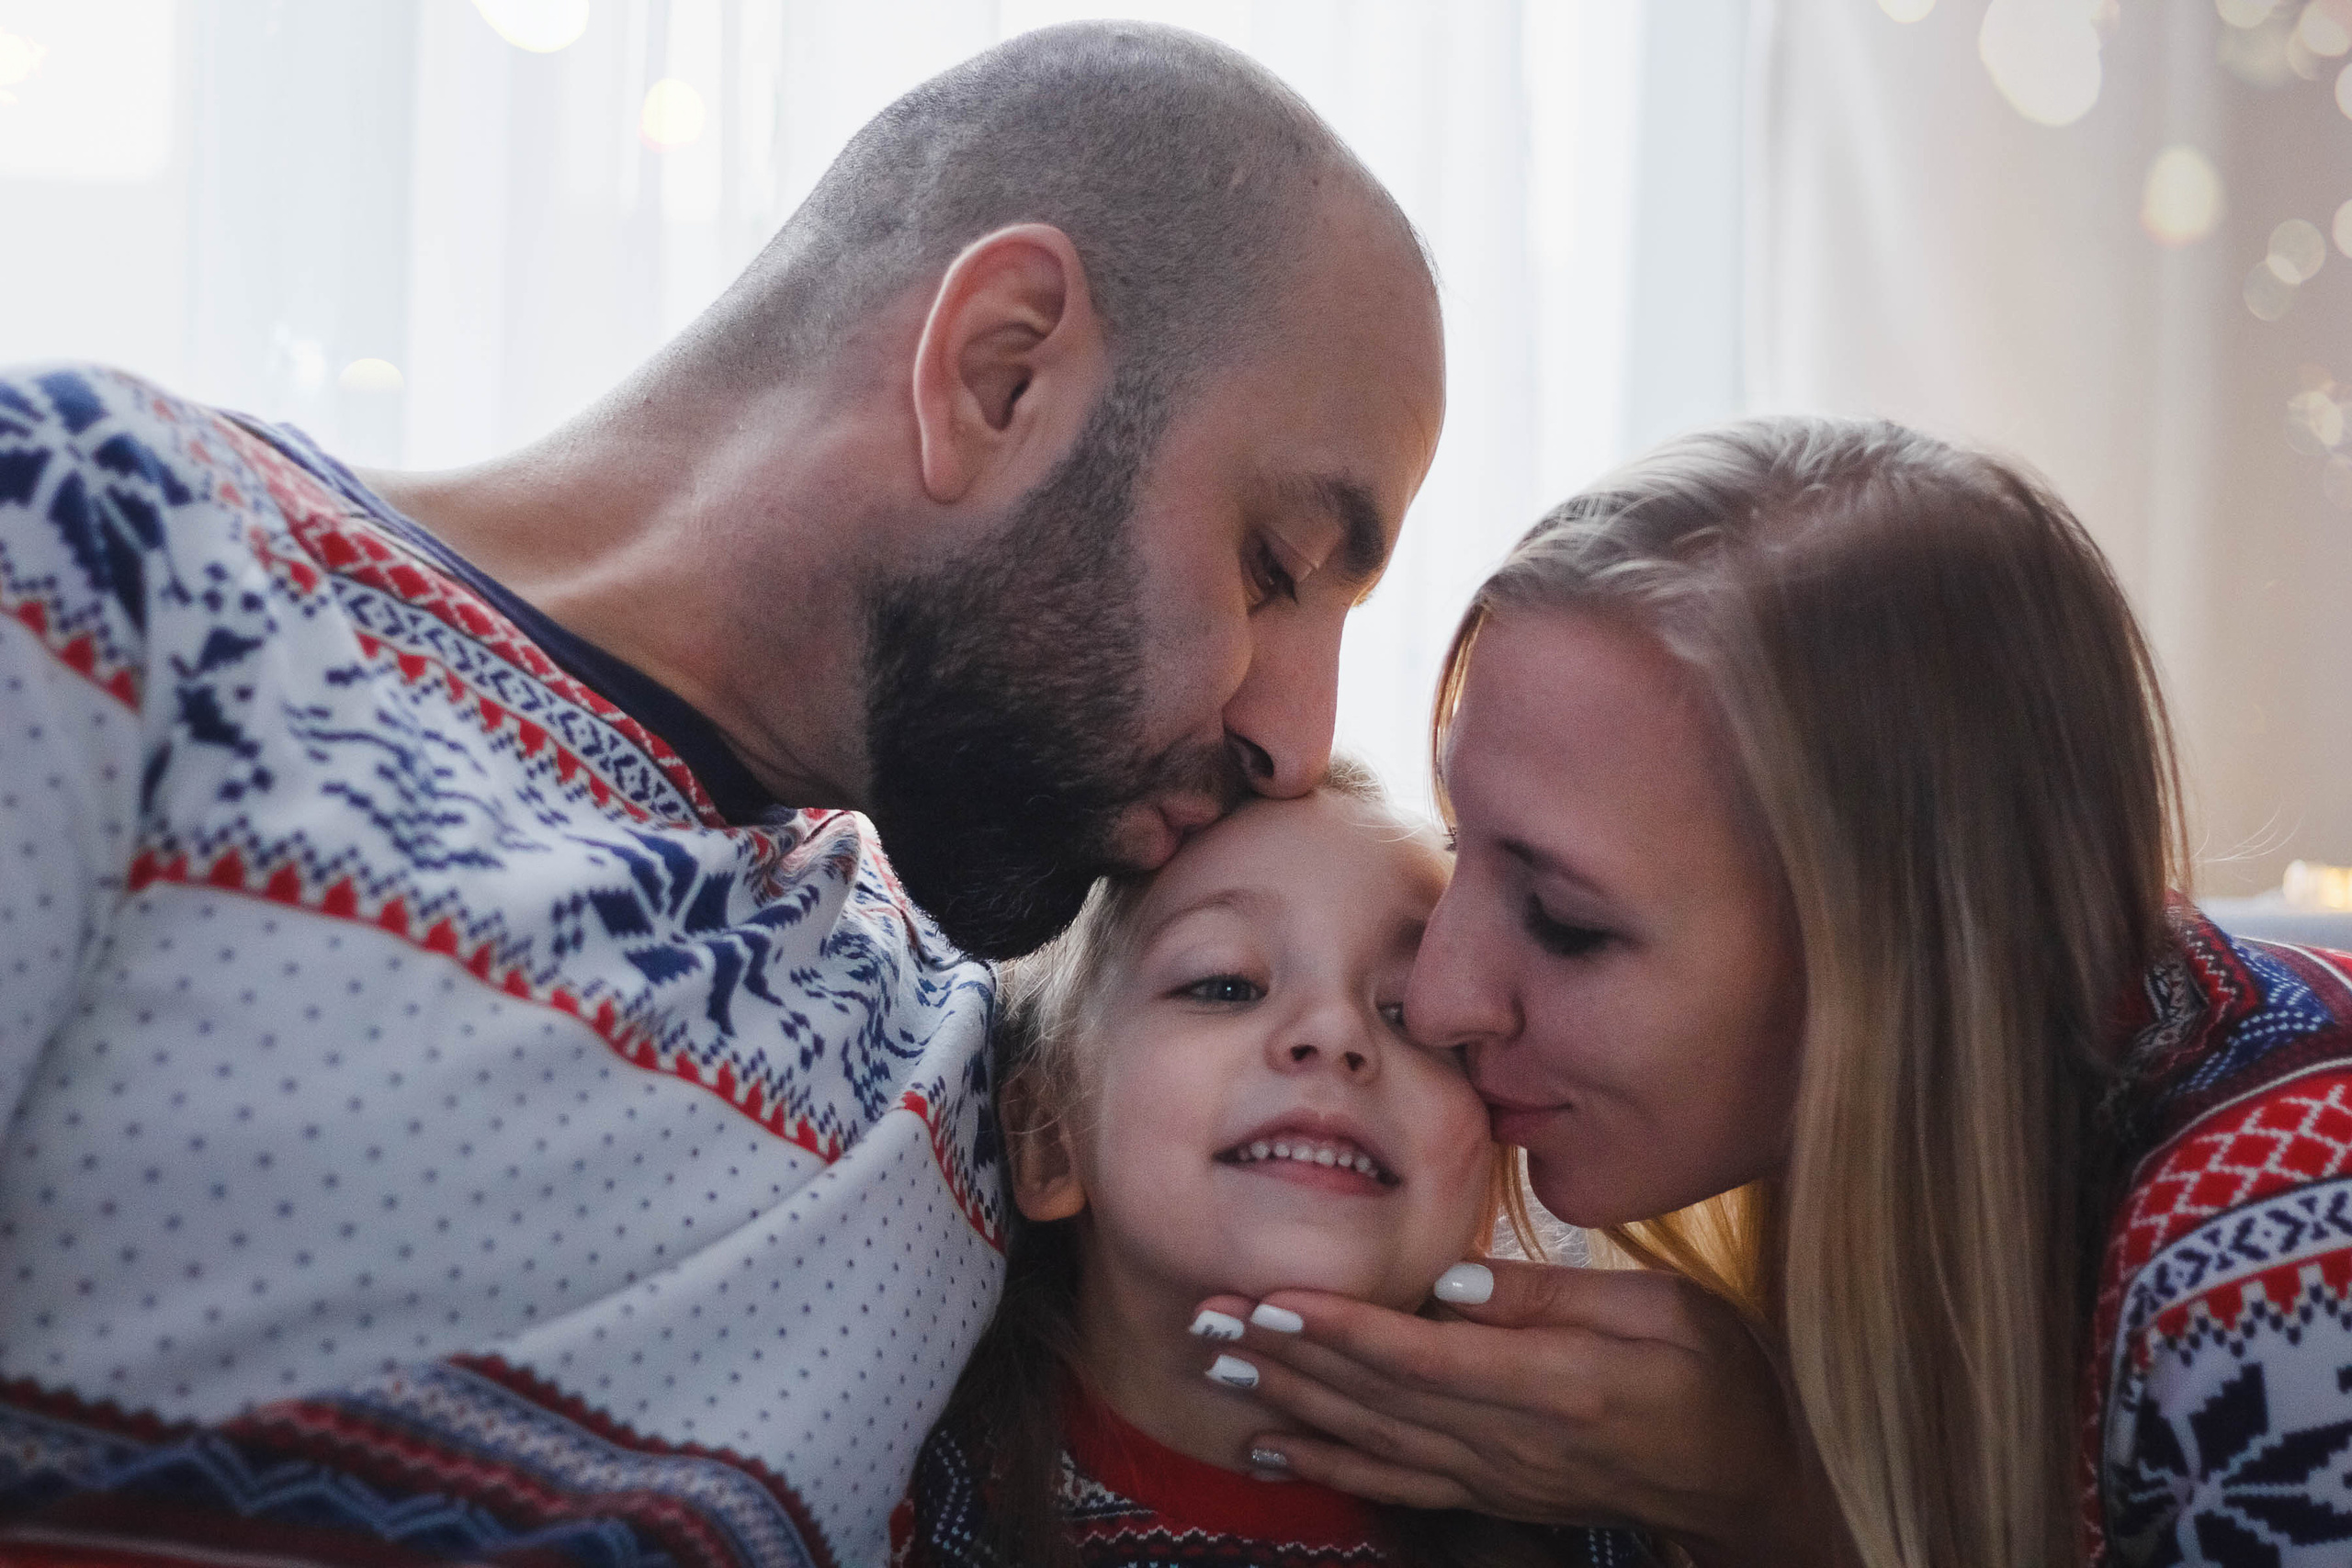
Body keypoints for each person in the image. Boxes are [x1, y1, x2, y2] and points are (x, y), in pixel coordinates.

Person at [0, 22, 1442, 1567]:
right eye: (1274, 563)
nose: (1298, 736)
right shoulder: (115, 558)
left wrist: (1732, 1467)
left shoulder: (955, 1053)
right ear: (1000, 370)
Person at [1186, 418, 2352, 1568]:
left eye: (1567, 922)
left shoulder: (2286, 1270)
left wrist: (1774, 1506)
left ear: (1895, 968)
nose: (1437, 999)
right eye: (1461, 847)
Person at [893, 760, 1646, 1568]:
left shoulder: (1596, 1516)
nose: (1335, 1032)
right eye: (1225, 984)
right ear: (1047, 1132)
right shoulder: (907, 1506)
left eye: (1407, 1012)